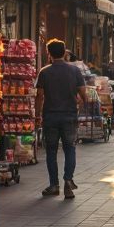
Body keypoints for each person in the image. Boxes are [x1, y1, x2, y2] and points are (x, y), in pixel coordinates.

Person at [35, 39, 93, 198]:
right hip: (69, 116)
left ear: (49, 54)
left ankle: (54, 185)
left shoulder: (44, 72)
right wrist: (82, 106)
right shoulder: (74, 72)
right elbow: (83, 94)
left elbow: (39, 96)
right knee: (70, 148)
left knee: (51, 151)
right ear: (64, 53)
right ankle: (68, 180)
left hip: (50, 117)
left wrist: (37, 116)